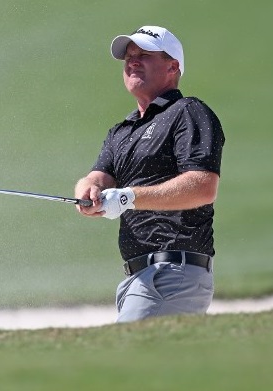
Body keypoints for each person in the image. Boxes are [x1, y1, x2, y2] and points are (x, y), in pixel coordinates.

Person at [74, 25, 225, 322]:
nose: (133, 60)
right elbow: (98, 176)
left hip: (172, 273)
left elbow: (203, 186)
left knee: (120, 359)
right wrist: (88, 189)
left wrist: (128, 197)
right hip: (140, 277)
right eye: (129, 56)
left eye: (144, 54)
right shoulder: (122, 131)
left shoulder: (188, 112)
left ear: (172, 67)